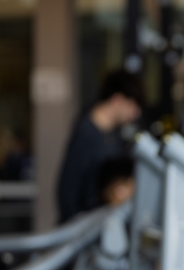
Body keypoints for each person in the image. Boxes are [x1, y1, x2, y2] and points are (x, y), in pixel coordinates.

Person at [56, 70, 143, 223]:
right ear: (117, 100)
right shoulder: (87, 133)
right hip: (83, 230)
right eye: (132, 105)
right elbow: (67, 192)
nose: (135, 113)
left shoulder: (114, 135)